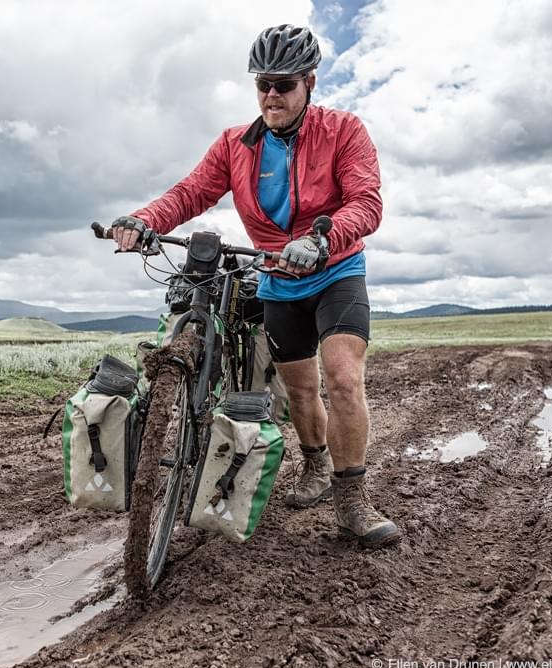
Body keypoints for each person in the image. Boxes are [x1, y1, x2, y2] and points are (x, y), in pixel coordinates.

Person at [111, 24, 401, 549]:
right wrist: (145, 219)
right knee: (300, 389)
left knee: (342, 378)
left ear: (310, 83)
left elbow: (367, 202)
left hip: (335, 271)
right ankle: (315, 467)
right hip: (277, 280)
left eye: (283, 85)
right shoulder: (235, 144)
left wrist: (323, 237)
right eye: (262, 84)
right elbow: (191, 192)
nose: (271, 95)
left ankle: (353, 501)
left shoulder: (343, 131)